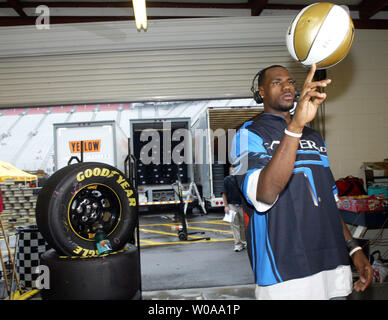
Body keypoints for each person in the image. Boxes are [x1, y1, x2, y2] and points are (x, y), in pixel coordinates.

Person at [230, 63, 373, 300]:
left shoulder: (314, 137)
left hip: (333, 264)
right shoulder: (247, 135)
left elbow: (327, 200)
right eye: (277, 83)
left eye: (291, 82)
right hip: (285, 271)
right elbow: (264, 194)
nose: (287, 87)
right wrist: (295, 126)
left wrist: (354, 249)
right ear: (261, 92)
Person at [222, 171, 247, 252]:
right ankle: (238, 244)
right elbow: (224, 193)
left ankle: (244, 242)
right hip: (232, 205)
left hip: (242, 205)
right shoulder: (227, 179)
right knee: (235, 225)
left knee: (243, 225)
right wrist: (226, 206)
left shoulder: (243, 178)